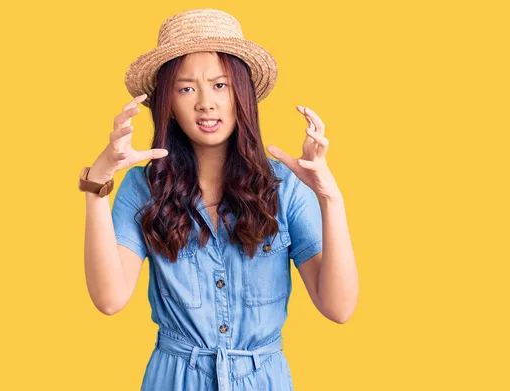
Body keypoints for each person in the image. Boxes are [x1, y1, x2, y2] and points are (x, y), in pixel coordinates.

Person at [80, 8, 358, 391]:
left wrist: (330, 197)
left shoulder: (285, 188)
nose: (205, 103)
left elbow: (339, 307)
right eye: (186, 88)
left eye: (221, 85)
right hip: (174, 379)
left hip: (263, 379)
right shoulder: (143, 187)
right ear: (169, 106)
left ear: (242, 95)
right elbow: (109, 299)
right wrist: (98, 184)